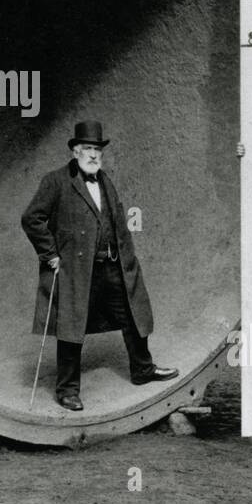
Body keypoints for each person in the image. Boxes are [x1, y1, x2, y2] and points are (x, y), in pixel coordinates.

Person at [21, 120, 177, 412]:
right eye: (87, 149)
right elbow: (31, 219)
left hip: (112, 266)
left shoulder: (104, 180)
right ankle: (67, 390)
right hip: (78, 272)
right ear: (75, 151)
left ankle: (142, 369)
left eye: (97, 150)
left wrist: (127, 256)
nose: (93, 155)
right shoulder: (55, 181)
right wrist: (50, 254)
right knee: (72, 325)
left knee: (132, 314)